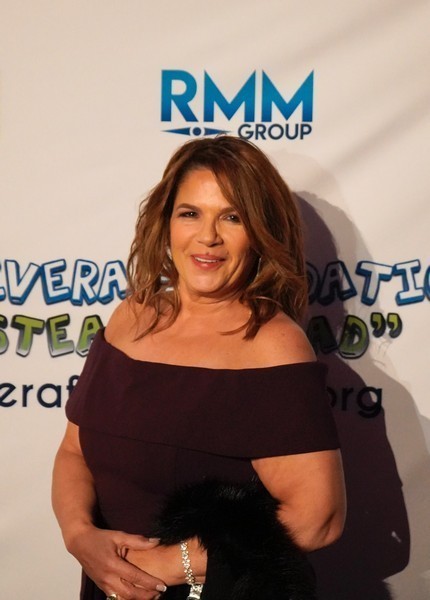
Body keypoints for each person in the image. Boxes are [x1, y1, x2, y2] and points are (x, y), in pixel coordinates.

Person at [52, 135, 346, 600]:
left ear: (260, 232)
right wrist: (79, 537)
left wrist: (167, 566)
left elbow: (318, 518)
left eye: (232, 217)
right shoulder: (130, 318)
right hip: (109, 583)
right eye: (190, 213)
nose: (208, 236)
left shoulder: (273, 345)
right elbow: (74, 452)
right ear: (166, 222)